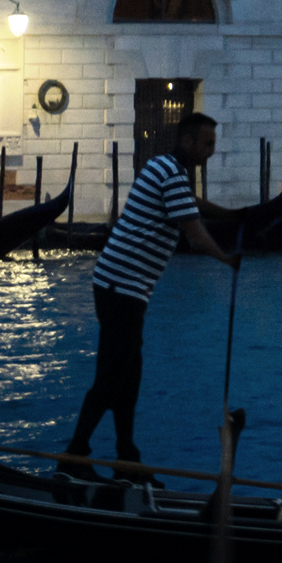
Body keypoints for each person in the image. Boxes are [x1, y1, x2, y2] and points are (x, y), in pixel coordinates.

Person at [64, 109, 237, 477]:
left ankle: (127, 457)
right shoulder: (172, 175)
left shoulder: (165, 169)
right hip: (120, 289)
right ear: (187, 141)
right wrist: (227, 260)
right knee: (112, 379)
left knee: (128, 379)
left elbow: (194, 205)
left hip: (121, 288)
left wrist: (238, 215)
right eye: (206, 144)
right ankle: (75, 457)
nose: (210, 152)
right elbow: (194, 233)